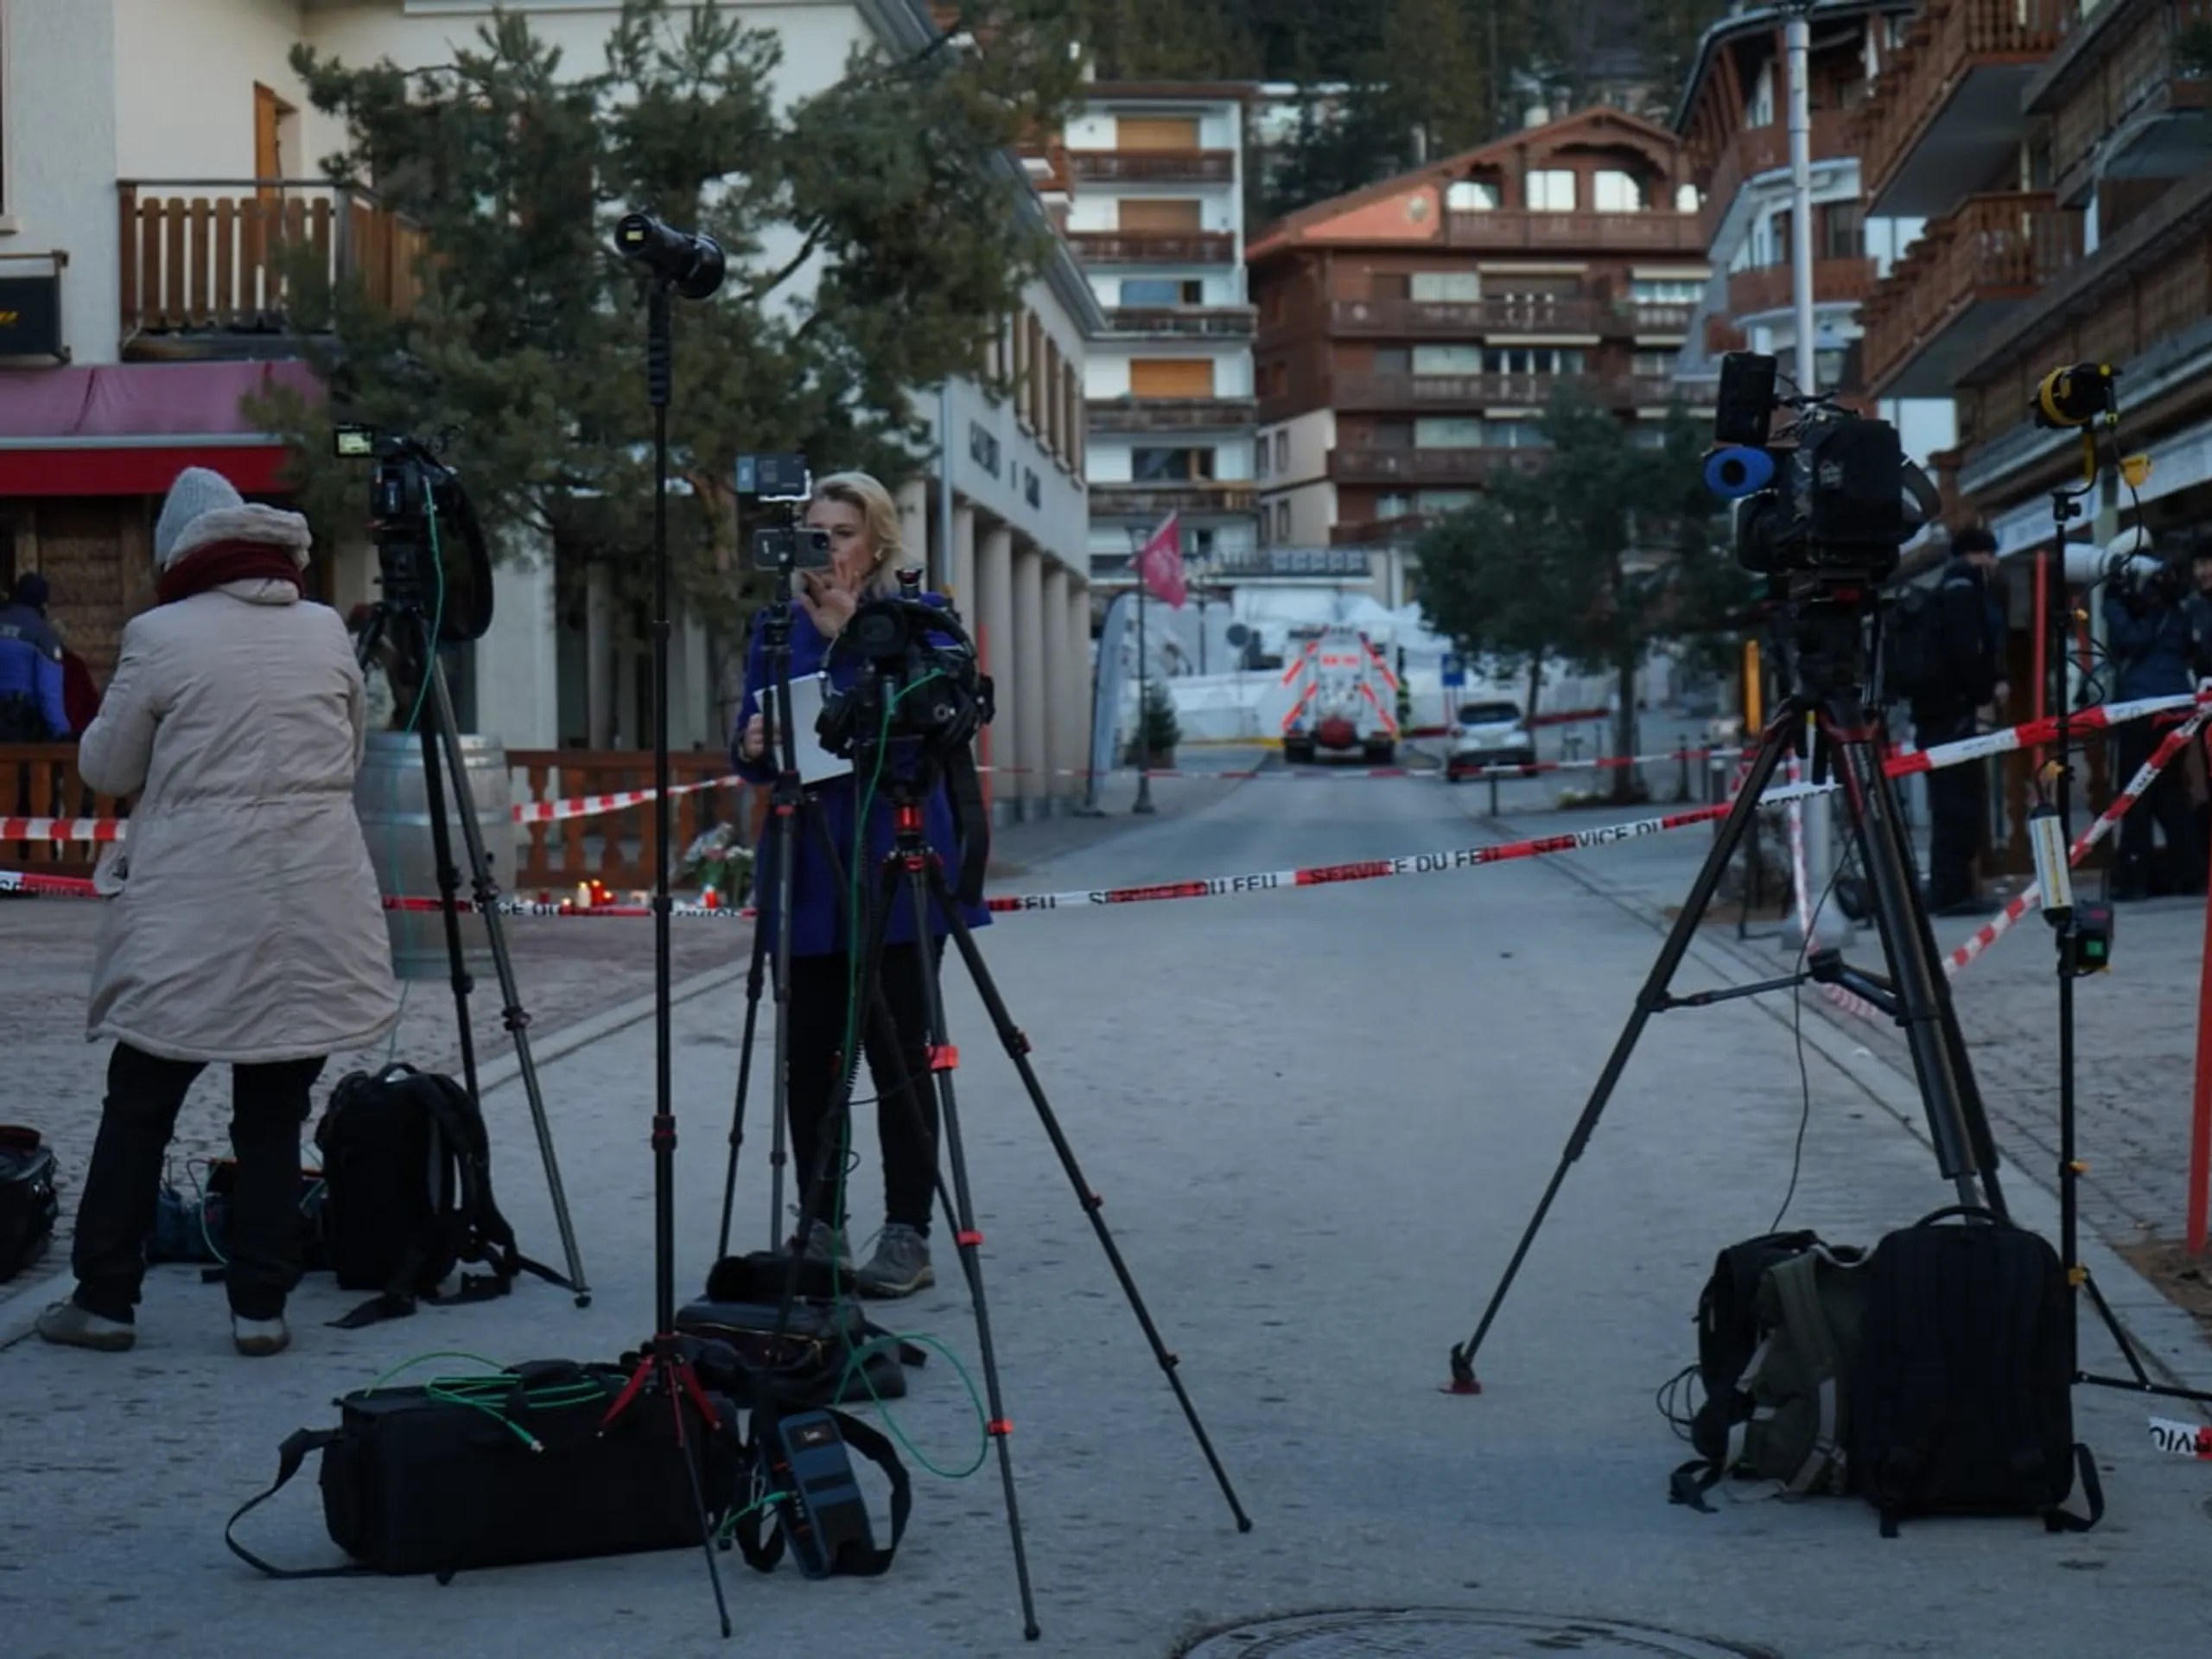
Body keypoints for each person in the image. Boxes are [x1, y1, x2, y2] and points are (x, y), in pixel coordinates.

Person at [35, 467, 400, 1357]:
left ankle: (106, 1299)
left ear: (177, 554)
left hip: (192, 907)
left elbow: (109, 769)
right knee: (273, 1110)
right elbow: (347, 757)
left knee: (141, 1102)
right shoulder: (324, 632)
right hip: (313, 899)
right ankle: (260, 1308)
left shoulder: (160, 635)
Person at [731, 471, 989, 1300]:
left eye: (841, 532)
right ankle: (820, 1220)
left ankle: (908, 1231)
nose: (826, 549)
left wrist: (850, 640)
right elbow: (747, 750)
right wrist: (754, 737)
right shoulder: (774, 624)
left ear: (876, 540)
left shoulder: (921, 617)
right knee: (810, 1056)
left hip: (895, 857)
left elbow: (939, 718)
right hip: (806, 859)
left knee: (899, 1053)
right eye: (814, 531)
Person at [1910, 526, 2007, 916]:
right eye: (1992, 557)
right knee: (1960, 804)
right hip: (1952, 714)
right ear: (1978, 555)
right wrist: (1985, 691)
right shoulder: (1963, 593)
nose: (1995, 565)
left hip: (1934, 713)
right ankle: (1954, 892)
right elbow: (1968, 653)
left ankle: (1948, 887)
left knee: (1948, 803)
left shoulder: (1943, 589)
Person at [2104, 540, 2204, 899]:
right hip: (2176, 710)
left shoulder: (2138, 610)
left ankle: (2134, 877)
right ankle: (2191, 872)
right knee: (2171, 794)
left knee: (2135, 794)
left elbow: (2130, 640)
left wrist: (2114, 600)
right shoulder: (2179, 612)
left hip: (2140, 711)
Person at [0, 571, 72, 741]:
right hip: (17, 727)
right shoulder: (42, 634)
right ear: (43, 604)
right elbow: (49, 691)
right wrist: (62, 733)